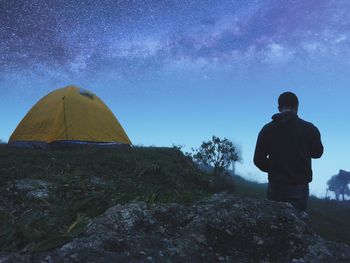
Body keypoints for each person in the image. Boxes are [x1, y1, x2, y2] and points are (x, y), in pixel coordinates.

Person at [253, 92, 323, 211]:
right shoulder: (309, 128)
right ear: (296, 107)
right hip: (299, 188)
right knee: (297, 224)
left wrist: (274, 168)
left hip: (276, 186)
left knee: (274, 223)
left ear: (279, 108)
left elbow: (258, 160)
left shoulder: (267, 129)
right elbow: (318, 153)